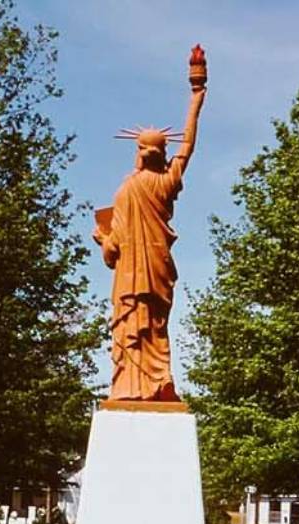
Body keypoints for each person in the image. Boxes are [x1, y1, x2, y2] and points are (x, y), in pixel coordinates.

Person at [93, 46, 207, 402]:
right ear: (161, 154)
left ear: (139, 152)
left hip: (130, 275)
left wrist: (102, 239)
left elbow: (114, 248)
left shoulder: (127, 190)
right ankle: (157, 381)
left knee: (131, 325)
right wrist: (196, 98)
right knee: (155, 326)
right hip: (156, 269)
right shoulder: (166, 182)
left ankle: (131, 387)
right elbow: (187, 147)